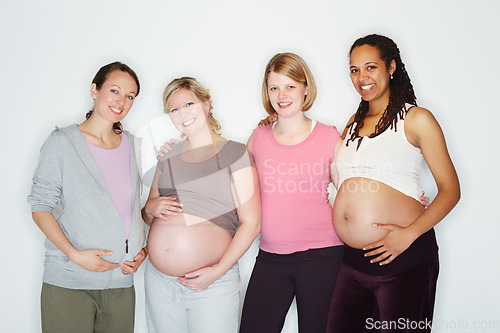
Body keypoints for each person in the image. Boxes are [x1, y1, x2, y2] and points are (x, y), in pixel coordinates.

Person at [327, 34, 460, 332]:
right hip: (353, 262)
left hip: (404, 259)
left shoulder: (417, 119)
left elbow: (451, 190)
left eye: (370, 67)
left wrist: (408, 235)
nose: (362, 77)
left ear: (391, 66)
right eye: (354, 69)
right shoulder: (352, 123)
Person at [28, 62, 147, 333]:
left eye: (130, 96)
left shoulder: (134, 145)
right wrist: (75, 255)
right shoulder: (63, 142)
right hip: (70, 283)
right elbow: (40, 206)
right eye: (114, 90)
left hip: (121, 286)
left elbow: (136, 209)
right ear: (95, 90)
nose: (121, 101)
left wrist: (144, 250)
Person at [142, 77, 261, 333]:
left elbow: (252, 223)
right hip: (161, 282)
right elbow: (148, 212)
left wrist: (217, 272)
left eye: (189, 103)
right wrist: (150, 209)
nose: (182, 113)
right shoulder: (169, 155)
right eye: (174, 109)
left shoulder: (235, 153)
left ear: (207, 104)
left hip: (211, 284)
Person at [239, 53, 345, 333]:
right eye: (274, 87)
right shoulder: (258, 136)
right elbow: (230, 183)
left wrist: (406, 198)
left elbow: (351, 190)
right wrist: (178, 151)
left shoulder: (329, 136)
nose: (281, 95)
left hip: (323, 255)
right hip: (271, 256)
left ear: (305, 88)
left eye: (290, 86)